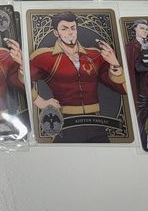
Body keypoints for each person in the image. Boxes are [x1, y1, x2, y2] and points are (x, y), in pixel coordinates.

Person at [30, 12, 126, 142]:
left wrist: (115, 64)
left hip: (95, 122)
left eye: (73, 28)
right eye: (64, 29)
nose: (70, 32)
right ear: (56, 32)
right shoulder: (44, 56)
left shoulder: (95, 55)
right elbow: (21, 81)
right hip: (65, 121)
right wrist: (40, 102)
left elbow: (123, 89)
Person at [124, 19, 148, 99]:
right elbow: (132, 67)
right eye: (142, 28)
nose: (145, 31)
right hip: (142, 82)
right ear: (135, 29)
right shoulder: (130, 47)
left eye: (146, 29)